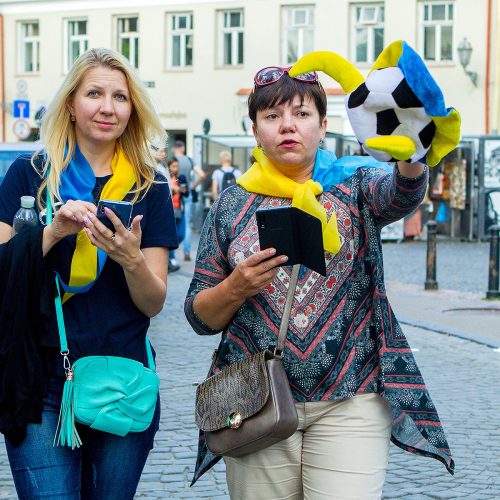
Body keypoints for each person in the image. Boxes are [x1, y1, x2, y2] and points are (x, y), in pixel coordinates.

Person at [185, 63, 454, 498]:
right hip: (257, 400)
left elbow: (402, 193)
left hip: (352, 399)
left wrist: (409, 150)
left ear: (324, 125)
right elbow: (199, 316)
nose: (287, 125)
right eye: (272, 116)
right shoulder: (232, 204)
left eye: (301, 113)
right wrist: (235, 286)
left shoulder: (356, 185)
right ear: (255, 129)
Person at [0, 47, 178, 499]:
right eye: (94, 93)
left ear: (132, 109)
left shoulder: (149, 185)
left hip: (122, 376)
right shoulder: (32, 174)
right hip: (40, 380)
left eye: (120, 97)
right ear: (71, 106)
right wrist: (50, 233)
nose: (107, 106)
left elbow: (153, 301)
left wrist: (130, 258)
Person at [171, 139, 205, 261]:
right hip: (187, 194)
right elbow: (201, 174)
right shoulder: (189, 160)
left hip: (175, 195)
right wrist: (192, 186)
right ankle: (186, 252)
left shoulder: (172, 161)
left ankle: (172, 253)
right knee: (187, 223)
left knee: (173, 223)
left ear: (174, 149)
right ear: (183, 149)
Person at [167, 158, 189, 273]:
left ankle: (170, 252)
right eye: (174, 166)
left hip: (180, 210)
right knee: (171, 235)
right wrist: (173, 189)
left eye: (177, 166)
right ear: (169, 167)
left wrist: (182, 190)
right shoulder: (166, 177)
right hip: (169, 211)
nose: (176, 168)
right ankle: (171, 258)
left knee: (180, 235)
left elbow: (186, 193)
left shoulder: (181, 178)